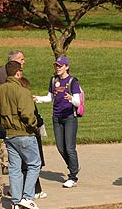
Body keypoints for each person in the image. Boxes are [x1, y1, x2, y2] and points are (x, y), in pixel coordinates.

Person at [0, 61, 40, 209]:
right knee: (34, 164)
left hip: (9, 134)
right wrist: (34, 125)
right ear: (18, 73)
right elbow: (27, 114)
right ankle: (27, 197)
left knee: (14, 168)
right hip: (24, 133)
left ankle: (15, 201)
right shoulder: (22, 91)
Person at [34, 56, 81, 188]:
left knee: (69, 147)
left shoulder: (73, 81)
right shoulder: (53, 80)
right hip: (57, 118)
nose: (58, 68)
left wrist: (71, 98)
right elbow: (50, 98)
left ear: (67, 67)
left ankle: (73, 176)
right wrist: (37, 98)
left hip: (70, 118)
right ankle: (74, 166)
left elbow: (78, 102)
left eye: (60, 66)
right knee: (61, 147)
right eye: (56, 66)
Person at [19, 77, 47, 200]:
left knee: (20, 166)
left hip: (15, 135)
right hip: (30, 135)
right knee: (33, 164)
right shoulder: (27, 100)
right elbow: (35, 118)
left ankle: (19, 190)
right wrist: (39, 122)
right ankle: (35, 190)